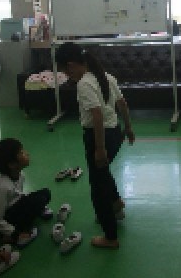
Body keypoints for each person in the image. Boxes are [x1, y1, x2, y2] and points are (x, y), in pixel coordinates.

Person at [54, 42, 135, 250]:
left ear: (71, 65)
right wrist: (128, 128)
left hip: (98, 137)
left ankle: (110, 237)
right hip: (115, 133)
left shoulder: (84, 84)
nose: (67, 76)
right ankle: (116, 204)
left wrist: (99, 148)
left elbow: (96, 115)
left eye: (65, 71)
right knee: (103, 173)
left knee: (98, 188)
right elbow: (122, 103)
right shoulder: (105, 76)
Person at [0, 138, 53, 247]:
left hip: (13, 208)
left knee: (45, 194)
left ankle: (24, 222)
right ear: (12, 164)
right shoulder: (2, 186)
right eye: (21, 153)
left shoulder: (20, 175)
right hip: (5, 219)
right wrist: (15, 234)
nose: (27, 153)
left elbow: (18, 195)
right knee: (41, 198)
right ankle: (9, 234)